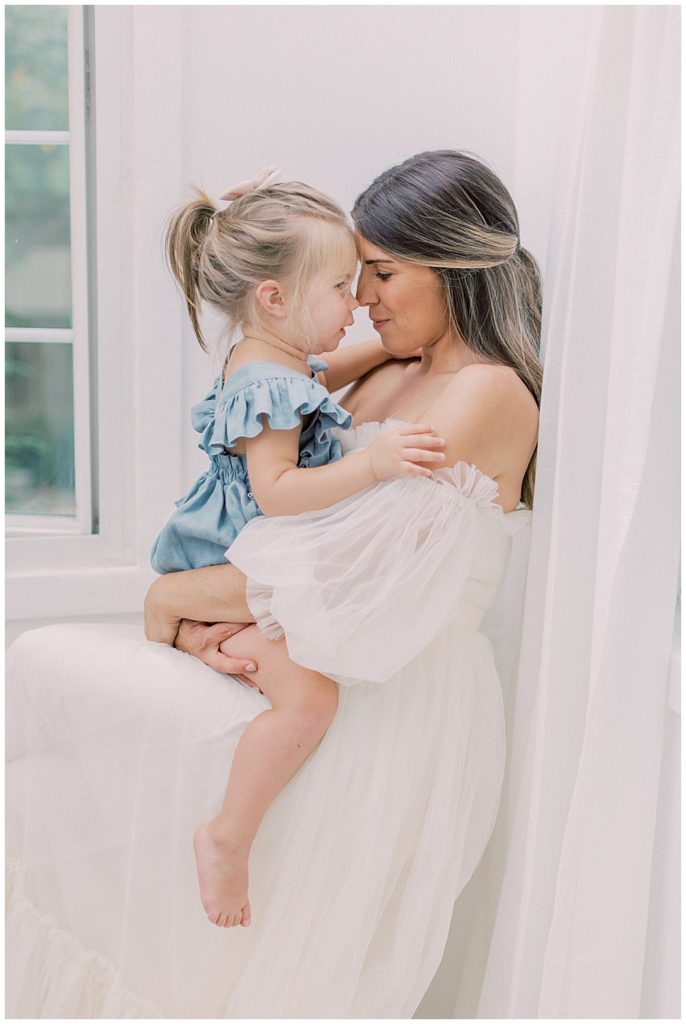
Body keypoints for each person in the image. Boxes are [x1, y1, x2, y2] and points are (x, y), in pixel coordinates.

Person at [7, 150, 542, 1018]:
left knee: (285, 963)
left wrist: (171, 601)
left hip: (388, 692)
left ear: (451, 266)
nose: (363, 296)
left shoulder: (490, 392)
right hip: (309, 653)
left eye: (381, 272)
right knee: (187, 934)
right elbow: (279, 365)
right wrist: (262, 228)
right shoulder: (390, 366)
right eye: (355, 274)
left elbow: (349, 569)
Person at [151, 172, 447, 928]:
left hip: (242, 560)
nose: (356, 304)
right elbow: (278, 491)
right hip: (233, 561)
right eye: (342, 288)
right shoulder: (265, 380)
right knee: (312, 700)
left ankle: (197, 636)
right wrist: (374, 464)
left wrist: (392, 359)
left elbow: (323, 372)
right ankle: (226, 837)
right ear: (275, 299)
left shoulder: (272, 358)